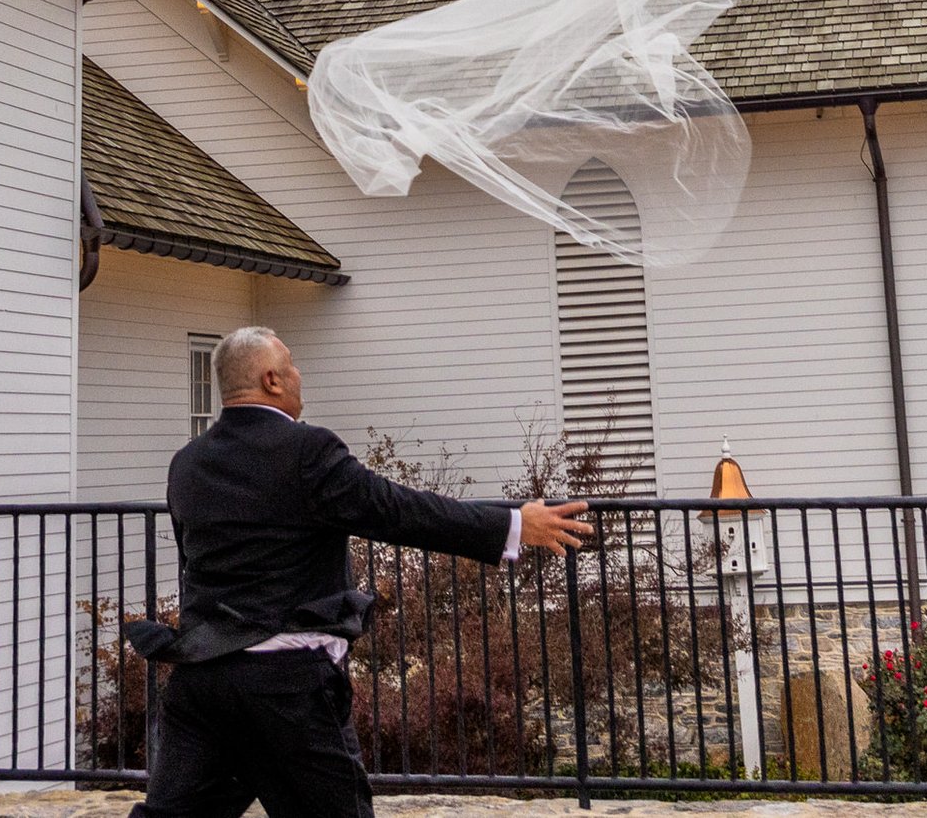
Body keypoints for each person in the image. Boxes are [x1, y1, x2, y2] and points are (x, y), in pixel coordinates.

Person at [125, 326, 593, 818]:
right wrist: (515, 524)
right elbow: (398, 510)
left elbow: (194, 562)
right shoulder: (308, 452)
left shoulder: (187, 463)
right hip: (286, 687)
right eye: (292, 364)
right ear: (271, 380)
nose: (299, 373)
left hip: (201, 684)